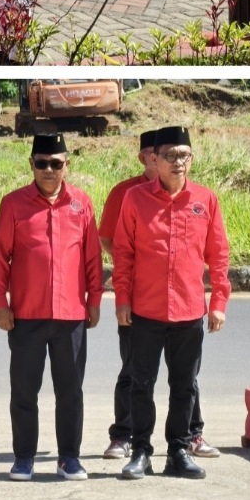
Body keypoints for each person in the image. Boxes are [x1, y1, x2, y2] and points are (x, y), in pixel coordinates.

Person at [113, 126, 231, 480]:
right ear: (154, 159)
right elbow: (123, 253)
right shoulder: (135, 199)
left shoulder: (205, 200)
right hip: (145, 311)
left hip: (189, 311)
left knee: (183, 385)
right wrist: (122, 300)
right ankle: (141, 452)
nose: (178, 163)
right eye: (170, 156)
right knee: (141, 384)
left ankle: (178, 450)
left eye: (184, 155)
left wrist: (219, 301)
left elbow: (219, 255)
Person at [0, 133, 102, 481]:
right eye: (42, 163)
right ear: (31, 165)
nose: (49, 170)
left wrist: (94, 301)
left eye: (56, 163)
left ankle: (69, 457)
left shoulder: (81, 204)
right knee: (24, 391)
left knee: (70, 392)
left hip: (70, 317)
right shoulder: (13, 204)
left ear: (67, 164)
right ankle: (24, 457)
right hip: (26, 315)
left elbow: (93, 259)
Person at [97, 130, 156, 460]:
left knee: (184, 373)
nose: (159, 160)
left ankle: (192, 434)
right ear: (143, 157)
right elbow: (106, 237)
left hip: (174, 299)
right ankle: (122, 434)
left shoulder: (190, 194)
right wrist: (126, 265)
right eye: (152, 153)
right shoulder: (125, 192)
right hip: (133, 292)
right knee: (132, 368)